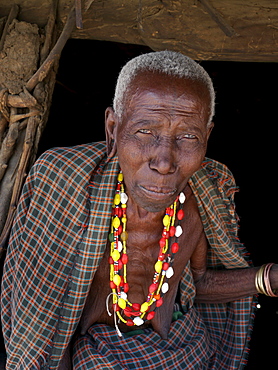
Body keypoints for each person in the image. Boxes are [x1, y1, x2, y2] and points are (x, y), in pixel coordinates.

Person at [1, 50, 278, 370]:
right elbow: (38, 316)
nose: (164, 162)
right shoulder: (65, 185)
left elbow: (195, 284)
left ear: (208, 136)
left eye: (188, 136)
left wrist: (267, 278)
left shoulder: (202, 200)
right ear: (113, 129)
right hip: (90, 355)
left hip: (174, 348)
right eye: (145, 131)